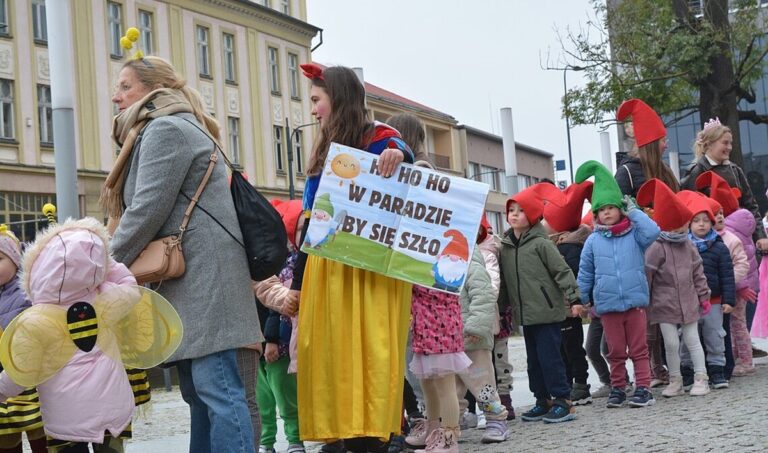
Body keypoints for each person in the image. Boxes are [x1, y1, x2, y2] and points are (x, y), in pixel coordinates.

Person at [106, 56, 262, 453]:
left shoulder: (166, 130)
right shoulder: (172, 126)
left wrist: (104, 265)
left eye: (125, 86)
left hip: (205, 281)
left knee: (218, 391)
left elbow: (146, 209)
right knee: (201, 394)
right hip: (199, 279)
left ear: (153, 87)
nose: (116, 96)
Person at [292, 63, 414, 452]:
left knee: (370, 356)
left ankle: (371, 434)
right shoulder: (323, 149)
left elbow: (408, 163)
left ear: (338, 99)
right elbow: (312, 221)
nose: (312, 111)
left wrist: (397, 156)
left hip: (370, 270)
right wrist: (297, 282)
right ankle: (342, 432)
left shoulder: (379, 138)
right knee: (333, 357)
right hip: (328, 269)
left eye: (316, 100)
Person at [0, 218, 138, 452]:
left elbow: (22, 370)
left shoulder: (37, 320)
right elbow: (130, 288)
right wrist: (107, 264)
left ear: (37, 272)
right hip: (112, 412)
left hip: (65, 420)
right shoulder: (106, 300)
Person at [575, 161, 660, 409]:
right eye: (602, 209)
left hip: (634, 303)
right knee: (614, 351)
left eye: (612, 207)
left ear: (621, 209)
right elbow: (586, 271)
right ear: (596, 214)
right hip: (608, 306)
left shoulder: (635, 234)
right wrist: (581, 299)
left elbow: (653, 231)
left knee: (639, 348)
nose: (608, 212)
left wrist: (633, 211)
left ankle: (643, 388)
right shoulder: (592, 241)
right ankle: (619, 388)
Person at [499, 183, 580, 424]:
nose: (514, 214)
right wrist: (503, 308)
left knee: (550, 359)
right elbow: (504, 282)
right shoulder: (506, 246)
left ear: (533, 214)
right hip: (525, 315)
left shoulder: (541, 243)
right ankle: (542, 400)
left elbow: (562, 271)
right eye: (511, 210)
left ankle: (563, 401)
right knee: (534, 362)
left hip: (547, 312)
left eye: (520, 210)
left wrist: (574, 298)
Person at [615, 98, 679, 388]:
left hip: (671, 246)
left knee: (670, 308)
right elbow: (618, 209)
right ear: (652, 143)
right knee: (649, 311)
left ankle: (677, 363)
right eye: (662, 140)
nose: (666, 145)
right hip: (643, 250)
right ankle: (654, 366)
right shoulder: (627, 171)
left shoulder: (665, 171)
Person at [637, 182, 711, 397]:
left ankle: (701, 377)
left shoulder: (688, 245)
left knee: (692, 340)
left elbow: (698, 272)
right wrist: (645, 301)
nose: (682, 229)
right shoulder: (657, 247)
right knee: (670, 343)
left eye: (684, 225)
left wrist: (703, 295)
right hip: (663, 303)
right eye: (678, 225)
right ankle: (675, 379)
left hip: (688, 302)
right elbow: (647, 275)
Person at [253, 200, 304, 453]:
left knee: (285, 396)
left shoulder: (284, 260)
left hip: (277, 342)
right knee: (262, 398)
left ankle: (295, 439)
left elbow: (275, 304)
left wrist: (271, 338)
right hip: (256, 340)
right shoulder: (263, 254)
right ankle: (266, 441)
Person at [697, 171, 756, 377]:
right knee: (726, 328)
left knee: (738, 325)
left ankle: (746, 360)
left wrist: (733, 283)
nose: (720, 216)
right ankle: (734, 359)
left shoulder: (730, 239)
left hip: (736, 290)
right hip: (723, 290)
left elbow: (742, 265)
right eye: (716, 214)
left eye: (722, 212)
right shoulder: (709, 240)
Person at [542, 181, 594, 406]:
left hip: (568, 308)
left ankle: (580, 384)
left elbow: (571, 278)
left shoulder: (569, 248)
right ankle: (570, 385)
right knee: (564, 349)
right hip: (557, 308)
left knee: (572, 348)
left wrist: (576, 301)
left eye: (547, 220)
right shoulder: (556, 245)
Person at [681, 118, 768, 250]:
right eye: (725, 143)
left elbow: (751, 204)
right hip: (710, 243)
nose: (729, 147)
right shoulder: (696, 172)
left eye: (730, 143)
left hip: (742, 240)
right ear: (709, 144)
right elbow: (691, 211)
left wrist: (760, 235)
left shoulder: (735, 170)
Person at [679, 190, 736, 389]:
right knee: (687, 340)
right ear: (689, 224)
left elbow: (727, 275)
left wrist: (729, 300)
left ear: (712, 223)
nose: (701, 224)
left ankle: (717, 371)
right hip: (689, 303)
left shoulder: (719, 248)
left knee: (715, 337)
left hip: (714, 302)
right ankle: (688, 373)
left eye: (705, 220)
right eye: (696, 220)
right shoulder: (683, 247)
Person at [0, 225, 46, 453]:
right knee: (7, 440)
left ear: (16, 259)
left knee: (41, 437)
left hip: (31, 383)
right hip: (2, 384)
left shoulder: (29, 292)